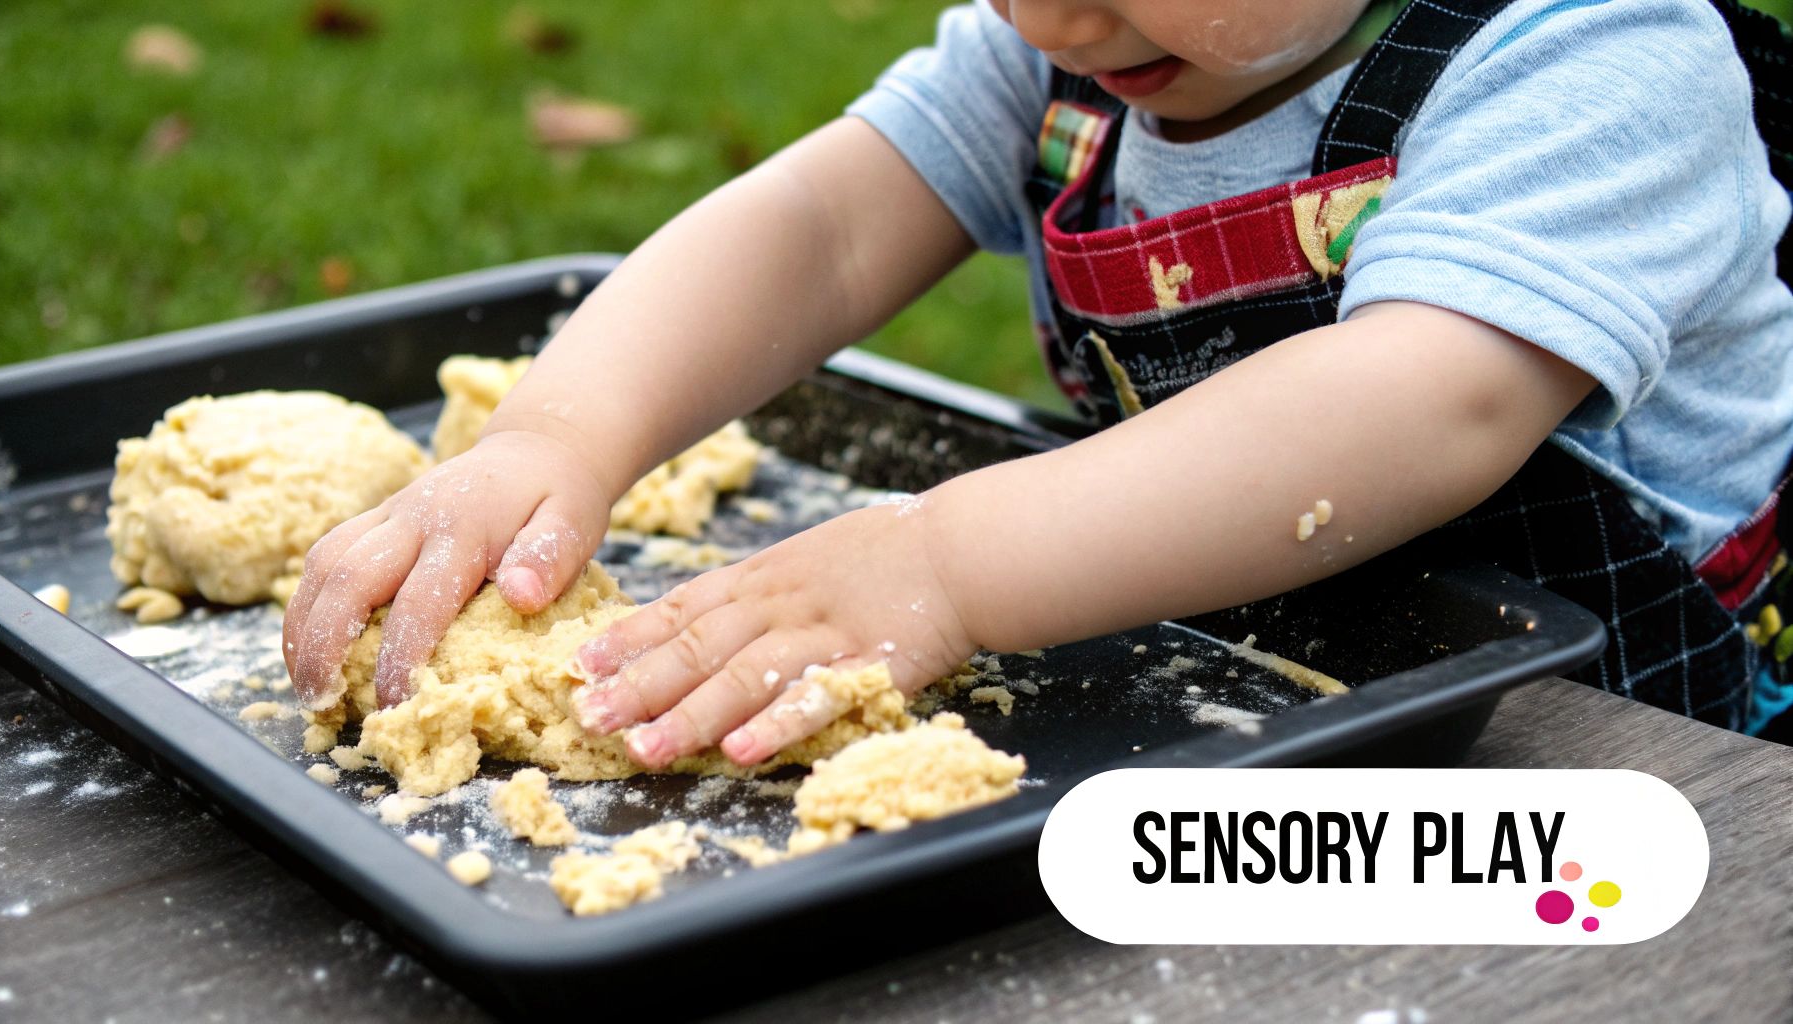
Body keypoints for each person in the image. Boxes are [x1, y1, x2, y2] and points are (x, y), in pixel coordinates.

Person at [284, 0, 1793, 756]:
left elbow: (1422, 402)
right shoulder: (1080, 50)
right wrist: (562, 426)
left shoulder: (1595, 60)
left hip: (1618, 753)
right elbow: (820, 227)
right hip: (1265, 697)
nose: (1056, 14)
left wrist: (941, 561)